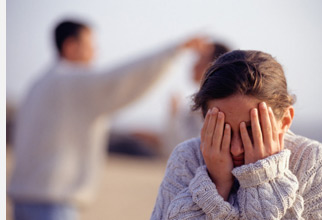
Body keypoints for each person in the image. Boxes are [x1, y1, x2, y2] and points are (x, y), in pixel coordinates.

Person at [7, 19, 204, 220]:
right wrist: (174, 51)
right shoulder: (71, 82)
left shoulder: (38, 85)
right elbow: (123, 79)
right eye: (90, 46)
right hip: (51, 205)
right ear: (70, 46)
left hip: (22, 199)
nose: (95, 53)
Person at [151, 50, 322, 219]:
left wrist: (261, 179)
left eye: (252, 130)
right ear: (205, 121)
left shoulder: (314, 162)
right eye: (223, 130)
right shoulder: (187, 158)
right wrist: (216, 185)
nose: (236, 148)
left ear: (285, 120)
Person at [161, 41, 230, 155]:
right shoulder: (202, 103)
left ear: (213, 65)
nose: (194, 64)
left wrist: (174, 115)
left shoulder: (210, 106)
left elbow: (182, 148)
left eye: (200, 58)